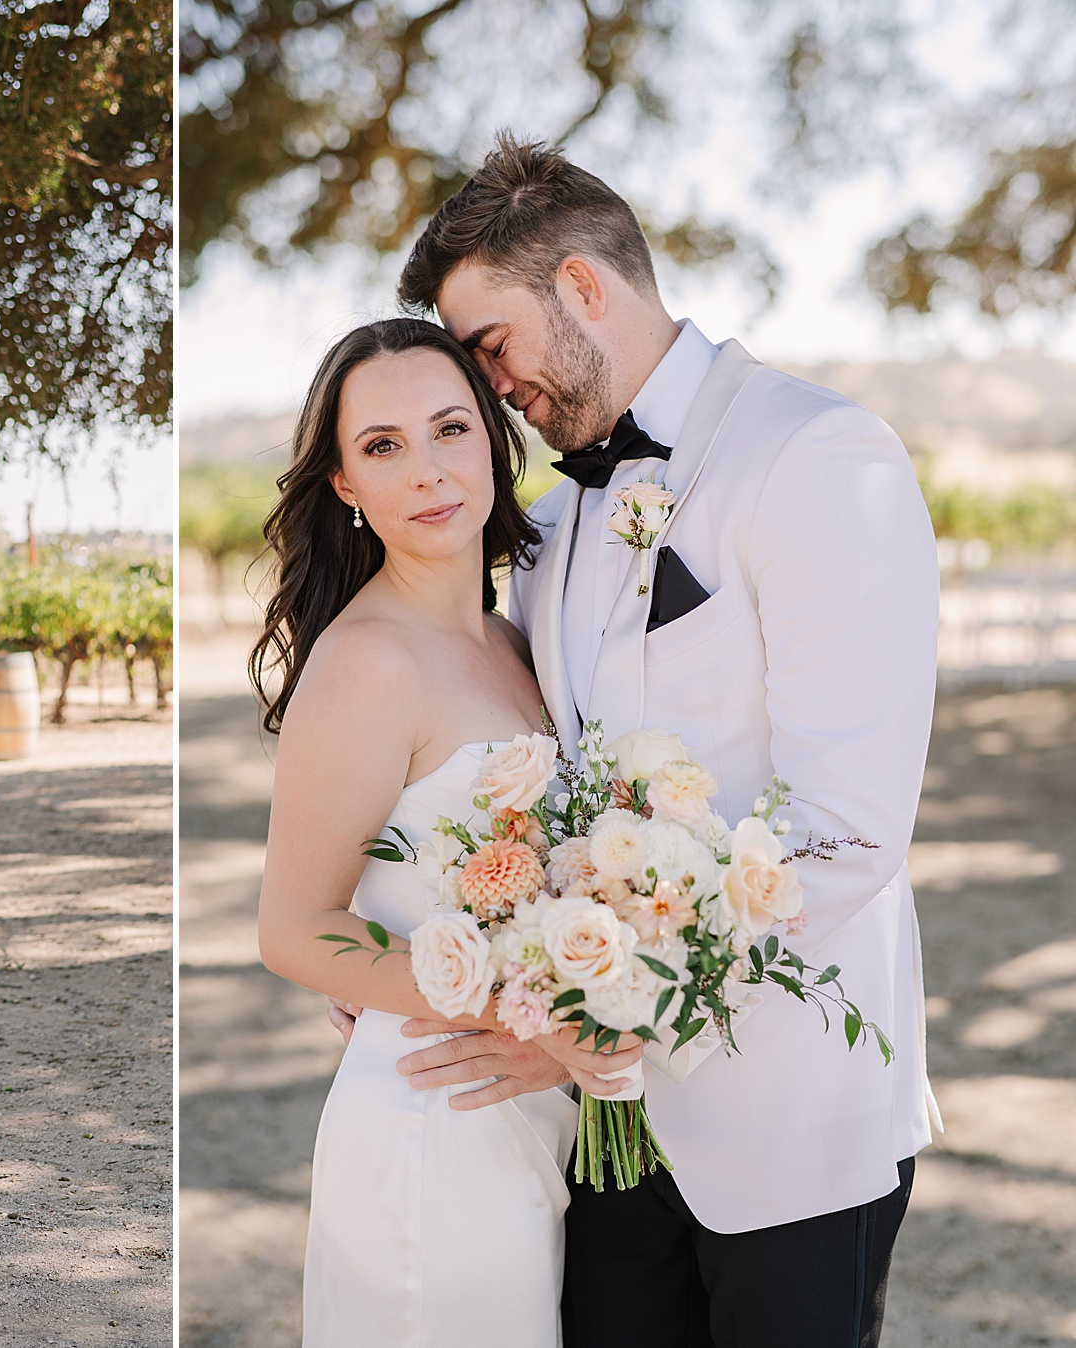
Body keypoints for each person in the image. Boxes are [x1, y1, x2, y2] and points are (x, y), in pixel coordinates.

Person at [376, 133, 940, 1348]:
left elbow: (845, 825)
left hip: (794, 1119)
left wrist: (618, 1010)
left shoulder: (821, 457)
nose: (493, 389)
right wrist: (424, 949)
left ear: (583, 286)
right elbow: (527, 775)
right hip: (604, 1129)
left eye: (493, 346)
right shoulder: (549, 517)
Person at [252, 318, 644, 1347]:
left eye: (450, 429)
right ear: (344, 484)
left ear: (493, 442)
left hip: (525, 1122)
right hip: (433, 1127)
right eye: (382, 446)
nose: (427, 471)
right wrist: (532, 1017)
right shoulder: (369, 663)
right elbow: (294, 930)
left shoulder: (515, 640)